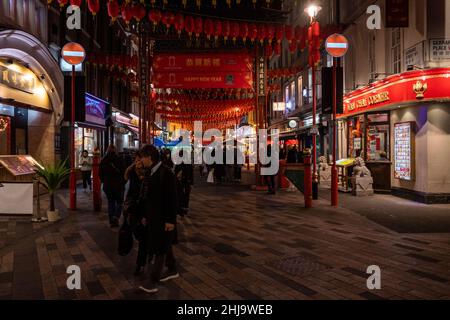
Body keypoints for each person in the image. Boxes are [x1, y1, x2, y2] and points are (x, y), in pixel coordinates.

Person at [138, 144, 179, 294]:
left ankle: (153, 281)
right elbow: (148, 197)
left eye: (142, 156)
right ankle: (172, 267)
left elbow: (172, 198)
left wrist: (170, 220)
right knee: (164, 244)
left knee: (159, 247)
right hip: (153, 216)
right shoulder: (151, 172)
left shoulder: (166, 173)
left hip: (163, 217)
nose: (141, 160)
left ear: (149, 157)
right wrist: (145, 215)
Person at [123, 152, 147, 275]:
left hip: (144, 211)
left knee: (142, 238)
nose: (138, 162)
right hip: (133, 209)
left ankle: (140, 263)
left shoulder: (148, 173)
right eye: (136, 160)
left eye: (140, 160)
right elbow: (129, 191)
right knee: (137, 234)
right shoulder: (131, 172)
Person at [99, 144, 125, 227]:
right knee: (120, 202)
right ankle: (116, 216)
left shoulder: (104, 160)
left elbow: (100, 173)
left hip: (108, 185)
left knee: (111, 202)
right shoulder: (119, 159)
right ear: (115, 150)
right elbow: (124, 172)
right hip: (118, 184)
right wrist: (123, 182)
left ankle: (111, 221)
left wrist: (104, 181)